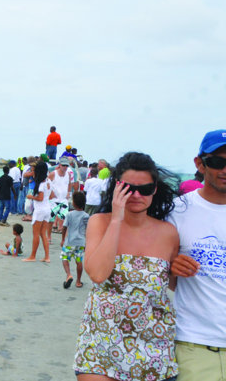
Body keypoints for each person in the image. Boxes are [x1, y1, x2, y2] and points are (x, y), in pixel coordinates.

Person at [73, 151, 179, 381]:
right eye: (129, 189)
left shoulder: (168, 233)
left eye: (145, 189)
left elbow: (173, 285)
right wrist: (117, 219)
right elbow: (98, 274)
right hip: (100, 344)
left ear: (155, 190)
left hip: (153, 348)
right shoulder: (99, 223)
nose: (137, 195)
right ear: (117, 187)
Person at [168, 130, 226, 381]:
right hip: (196, 344)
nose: (225, 169)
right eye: (217, 162)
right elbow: (160, 276)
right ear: (199, 164)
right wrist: (171, 266)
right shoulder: (177, 211)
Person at [23, 161, 51, 262]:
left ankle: (32, 256)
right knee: (43, 234)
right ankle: (47, 257)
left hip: (40, 210)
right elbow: (50, 196)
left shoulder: (41, 184)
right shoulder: (48, 181)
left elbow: (40, 198)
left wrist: (31, 197)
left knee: (35, 233)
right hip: (47, 209)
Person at [61, 190, 88, 289]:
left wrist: (63, 239)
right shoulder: (86, 216)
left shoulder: (69, 214)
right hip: (81, 242)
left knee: (65, 258)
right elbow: (88, 230)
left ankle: (69, 275)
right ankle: (78, 281)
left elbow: (64, 227)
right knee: (79, 261)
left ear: (73, 203)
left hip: (70, 241)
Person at [48, 157, 75, 235]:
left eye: (67, 166)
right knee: (51, 219)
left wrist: (69, 193)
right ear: (60, 165)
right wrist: (51, 193)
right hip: (54, 200)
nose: (65, 167)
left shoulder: (68, 174)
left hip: (63, 199)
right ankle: (49, 237)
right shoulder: (53, 173)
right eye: (63, 165)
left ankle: (63, 238)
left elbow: (70, 183)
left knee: (64, 217)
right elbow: (47, 183)